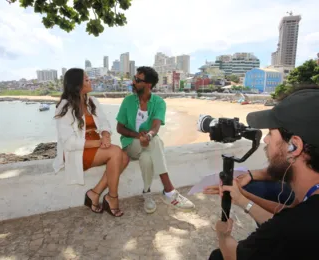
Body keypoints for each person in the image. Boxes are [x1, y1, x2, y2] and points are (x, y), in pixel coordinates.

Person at [208, 87, 319, 260]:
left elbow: (234, 255)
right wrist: (242, 197)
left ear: (294, 146)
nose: (266, 140)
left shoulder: (293, 229)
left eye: (271, 133)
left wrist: (223, 235)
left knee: (218, 256)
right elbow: (287, 213)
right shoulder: (306, 208)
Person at [116, 66, 195, 213]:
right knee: (156, 142)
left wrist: (148, 136)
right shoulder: (127, 101)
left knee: (147, 157)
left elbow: (156, 126)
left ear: (148, 85)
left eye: (138, 80)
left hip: (148, 144)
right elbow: (119, 128)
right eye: (134, 78)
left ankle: (147, 194)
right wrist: (138, 136)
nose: (133, 82)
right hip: (130, 145)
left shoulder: (159, 102)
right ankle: (169, 191)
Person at [53, 68, 129, 217]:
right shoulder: (64, 107)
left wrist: (106, 135)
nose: (90, 81)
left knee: (124, 157)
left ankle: (95, 193)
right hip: (77, 151)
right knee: (115, 152)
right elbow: (69, 143)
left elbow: (104, 122)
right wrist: (99, 143)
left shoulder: (92, 101)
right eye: (86, 79)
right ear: (77, 85)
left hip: (96, 145)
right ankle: (112, 198)